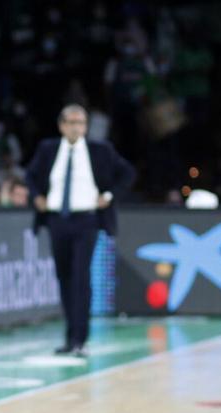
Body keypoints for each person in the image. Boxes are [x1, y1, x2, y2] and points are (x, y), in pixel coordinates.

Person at [26, 104, 135, 357]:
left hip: (87, 220)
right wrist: (36, 197)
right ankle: (69, 335)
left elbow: (127, 173)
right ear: (61, 125)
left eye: (81, 123)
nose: (76, 127)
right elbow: (30, 176)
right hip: (57, 219)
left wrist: (109, 196)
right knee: (64, 276)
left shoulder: (100, 151)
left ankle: (80, 338)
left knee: (80, 276)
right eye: (71, 122)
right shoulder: (48, 149)